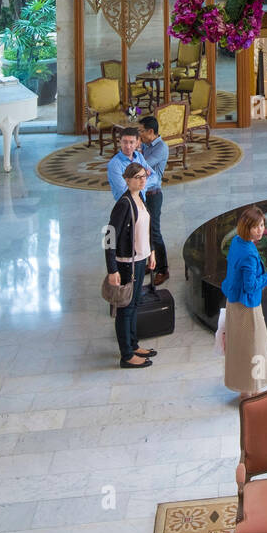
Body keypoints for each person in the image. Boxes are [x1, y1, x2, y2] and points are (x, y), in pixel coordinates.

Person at [221, 206, 267, 398]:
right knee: (255, 348)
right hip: (248, 307)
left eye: (261, 225)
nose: (259, 230)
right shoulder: (249, 253)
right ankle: (252, 392)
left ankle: (245, 390)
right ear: (245, 227)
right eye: (255, 226)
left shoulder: (236, 242)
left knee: (239, 347)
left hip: (233, 302)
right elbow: (251, 286)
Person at [105, 161, 157, 369]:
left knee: (134, 305)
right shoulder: (124, 204)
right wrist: (112, 269)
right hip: (127, 264)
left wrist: (151, 251)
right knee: (125, 308)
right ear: (127, 180)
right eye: (138, 177)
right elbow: (109, 236)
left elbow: (146, 228)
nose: (143, 180)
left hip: (140, 259)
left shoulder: (141, 198)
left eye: (144, 176)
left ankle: (133, 344)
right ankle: (126, 355)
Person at [138, 115, 169, 285]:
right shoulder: (146, 145)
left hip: (154, 195)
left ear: (151, 132)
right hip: (143, 193)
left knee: (155, 232)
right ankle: (151, 262)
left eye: (141, 131)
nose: (139, 134)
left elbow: (143, 165)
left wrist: (137, 151)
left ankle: (163, 269)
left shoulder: (161, 148)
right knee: (144, 230)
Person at [107, 127, 157, 203]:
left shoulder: (139, 156)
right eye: (125, 142)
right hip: (127, 205)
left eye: (131, 142)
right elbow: (124, 190)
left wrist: (137, 184)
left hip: (142, 202)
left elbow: (155, 177)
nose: (128, 146)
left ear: (137, 143)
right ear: (120, 141)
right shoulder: (114, 164)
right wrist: (143, 179)